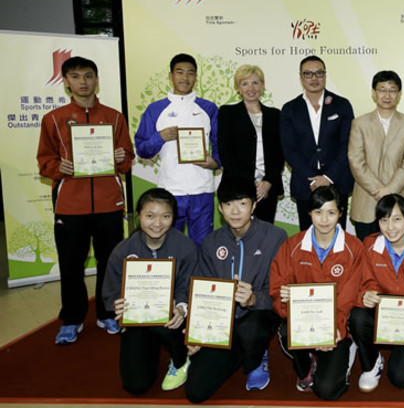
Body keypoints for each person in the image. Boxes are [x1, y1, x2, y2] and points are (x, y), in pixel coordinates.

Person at [37, 55, 135, 344]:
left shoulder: (115, 117)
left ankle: (107, 313)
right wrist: (59, 168)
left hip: (109, 203)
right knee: (71, 264)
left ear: (96, 79)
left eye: (89, 76)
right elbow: (44, 161)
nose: (83, 82)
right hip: (71, 204)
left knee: (111, 262)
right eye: (76, 76)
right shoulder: (53, 119)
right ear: (66, 81)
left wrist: (121, 158)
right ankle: (72, 318)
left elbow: (127, 159)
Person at [185, 175, 287, 402]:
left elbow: (281, 293)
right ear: (220, 208)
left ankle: (257, 354)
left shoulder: (275, 237)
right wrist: (198, 333)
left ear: (254, 204)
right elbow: (202, 292)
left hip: (260, 315)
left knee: (250, 330)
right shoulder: (211, 242)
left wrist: (254, 299)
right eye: (228, 204)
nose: (235, 211)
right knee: (196, 391)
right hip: (222, 322)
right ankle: (239, 354)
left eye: (242, 203)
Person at [270, 185, 365, 400]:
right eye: (318, 212)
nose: (324, 220)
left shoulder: (354, 248)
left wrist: (336, 329)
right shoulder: (292, 245)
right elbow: (277, 290)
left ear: (341, 213)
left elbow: (350, 296)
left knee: (327, 391)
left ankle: (347, 348)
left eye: (331, 213)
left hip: (337, 327)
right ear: (309, 213)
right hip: (303, 323)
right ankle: (308, 364)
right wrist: (285, 301)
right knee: (286, 332)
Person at [102, 188, 197, 393]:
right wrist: (117, 304)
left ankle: (181, 358)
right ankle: (150, 349)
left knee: (173, 320)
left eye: (165, 216)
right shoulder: (123, 251)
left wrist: (182, 309)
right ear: (138, 216)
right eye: (150, 216)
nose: (157, 223)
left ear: (173, 218)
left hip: (173, 319)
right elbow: (110, 292)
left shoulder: (186, 247)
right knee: (136, 386)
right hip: (139, 320)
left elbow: (188, 286)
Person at [349, 194, 404, 392]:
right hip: (383, 313)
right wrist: (366, 294)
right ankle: (372, 364)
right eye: (384, 220)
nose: (390, 227)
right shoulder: (369, 245)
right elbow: (363, 281)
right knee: (358, 317)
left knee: (400, 378)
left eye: (396, 219)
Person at [135, 53, 219, 245]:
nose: (185, 78)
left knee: (202, 246)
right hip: (170, 190)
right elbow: (142, 149)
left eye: (190, 73)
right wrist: (160, 137)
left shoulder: (209, 108)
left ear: (196, 77)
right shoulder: (155, 109)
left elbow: (219, 144)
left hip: (202, 189)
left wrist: (214, 163)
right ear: (170, 76)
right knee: (170, 245)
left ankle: (198, 277)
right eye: (179, 72)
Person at [280, 56, 355, 230]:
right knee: (307, 237)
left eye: (319, 73)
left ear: (325, 75)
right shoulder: (290, 109)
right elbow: (289, 150)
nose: (314, 78)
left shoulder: (342, 105)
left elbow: (348, 145)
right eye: (308, 74)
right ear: (300, 77)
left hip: (336, 183)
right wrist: (314, 180)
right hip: (305, 185)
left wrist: (328, 178)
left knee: (337, 238)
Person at [348, 70, 404, 239]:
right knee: (367, 256)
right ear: (374, 93)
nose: (387, 95)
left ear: (399, 94)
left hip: (398, 200)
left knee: (397, 256)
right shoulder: (359, 123)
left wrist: (390, 191)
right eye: (382, 89)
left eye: (392, 90)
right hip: (366, 202)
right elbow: (356, 161)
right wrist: (378, 190)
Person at [218, 64, 283, 223]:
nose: (251, 88)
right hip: (237, 188)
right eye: (245, 83)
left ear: (263, 86)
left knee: (265, 236)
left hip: (267, 190)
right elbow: (226, 154)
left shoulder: (275, 115)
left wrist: (267, 183)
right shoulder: (227, 113)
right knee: (239, 236)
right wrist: (250, 185)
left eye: (255, 83)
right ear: (238, 88)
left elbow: (279, 154)